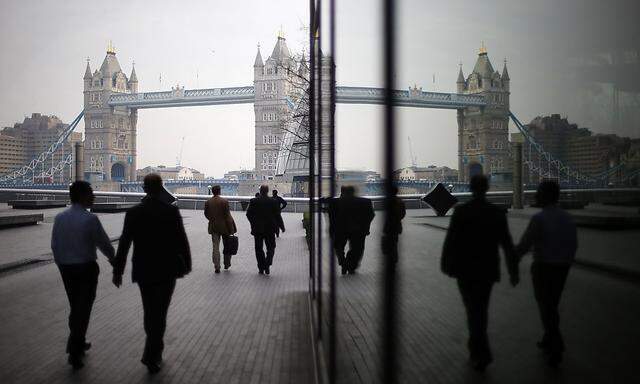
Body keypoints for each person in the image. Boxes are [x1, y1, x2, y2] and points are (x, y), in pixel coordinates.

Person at [112, 173, 191, 374]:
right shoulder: (170, 212)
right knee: (160, 313)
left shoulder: (134, 213)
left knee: (149, 312)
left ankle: (153, 349)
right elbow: (182, 240)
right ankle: (153, 353)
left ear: (144, 188)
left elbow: (124, 243)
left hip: (144, 270)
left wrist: (118, 270)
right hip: (167, 270)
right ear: (161, 187)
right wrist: (187, 263)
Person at [441, 174, 519, 371]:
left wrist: (446, 264)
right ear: (487, 188)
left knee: (472, 310)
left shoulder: (461, 212)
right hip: (487, 270)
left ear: (471, 187)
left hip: (465, 270)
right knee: (481, 310)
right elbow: (507, 244)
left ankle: (478, 350)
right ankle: (479, 349)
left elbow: (451, 240)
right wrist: (513, 270)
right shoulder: (496, 213)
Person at [51, 181, 115, 370]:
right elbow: (103, 243)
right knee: (83, 309)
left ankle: (78, 341)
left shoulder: (60, 218)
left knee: (75, 307)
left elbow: (55, 245)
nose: (93, 197)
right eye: (90, 194)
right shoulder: (90, 219)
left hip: (66, 269)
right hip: (86, 268)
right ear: (81, 196)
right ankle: (74, 349)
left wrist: (61, 263)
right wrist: (114, 261)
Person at [516, 180, 577, 367]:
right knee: (552, 304)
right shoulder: (568, 218)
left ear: (544, 196)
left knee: (546, 307)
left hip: (543, 267)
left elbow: (525, 244)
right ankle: (548, 338)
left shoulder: (539, 219)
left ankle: (556, 345)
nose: (535, 196)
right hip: (563, 267)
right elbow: (574, 244)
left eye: (538, 193)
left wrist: (513, 259)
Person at [329, 186, 375, 275]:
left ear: (342, 192)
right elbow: (370, 215)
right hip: (358, 230)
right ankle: (351, 266)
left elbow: (332, 219)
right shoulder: (365, 202)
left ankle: (343, 262)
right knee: (357, 249)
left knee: (338, 247)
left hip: (340, 230)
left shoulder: (335, 203)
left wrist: (331, 231)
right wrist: (366, 227)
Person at [246, 185, 284, 274]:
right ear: (267, 191)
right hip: (270, 229)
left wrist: (253, 223)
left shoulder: (254, 201)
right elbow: (277, 216)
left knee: (258, 249)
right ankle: (267, 263)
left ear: (260, 191)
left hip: (257, 229)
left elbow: (248, 214)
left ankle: (261, 267)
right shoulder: (273, 201)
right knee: (271, 247)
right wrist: (281, 226)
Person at [204, 185, 237, 273]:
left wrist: (212, 219)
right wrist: (231, 228)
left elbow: (206, 214)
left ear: (212, 192)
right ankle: (227, 263)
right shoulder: (224, 201)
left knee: (215, 246)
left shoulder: (208, 202)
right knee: (227, 245)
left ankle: (217, 266)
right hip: (225, 227)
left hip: (214, 226)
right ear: (219, 191)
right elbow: (227, 216)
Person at [382, 185, 406, 265]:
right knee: (394, 243)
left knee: (388, 242)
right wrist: (398, 219)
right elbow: (403, 214)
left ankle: (390, 258)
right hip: (396, 226)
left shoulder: (387, 201)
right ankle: (394, 258)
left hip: (388, 226)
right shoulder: (400, 201)